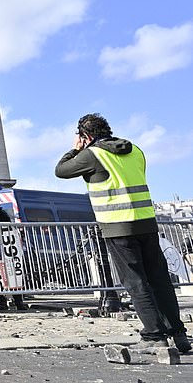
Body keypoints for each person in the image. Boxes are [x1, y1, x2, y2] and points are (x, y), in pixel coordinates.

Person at [56, 113, 190, 353]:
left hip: (118, 226)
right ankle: (178, 333)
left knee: (136, 282)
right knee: (160, 280)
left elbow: (61, 171)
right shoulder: (135, 150)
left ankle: (154, 335)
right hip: (147, 223)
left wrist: (74, 150)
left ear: (86, 136)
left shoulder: (92, 154)